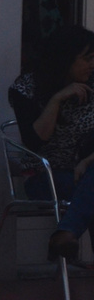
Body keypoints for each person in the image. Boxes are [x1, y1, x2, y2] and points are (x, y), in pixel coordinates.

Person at [7, 24, 94, 264]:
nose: (92, 65)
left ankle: (64, 235)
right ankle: (64, 235)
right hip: (44, 176)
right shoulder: (26, 89)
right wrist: (57, 99)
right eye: (86, 59)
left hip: (86, 171)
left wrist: (86, 161)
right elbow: (35, 141)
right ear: (65, 58)